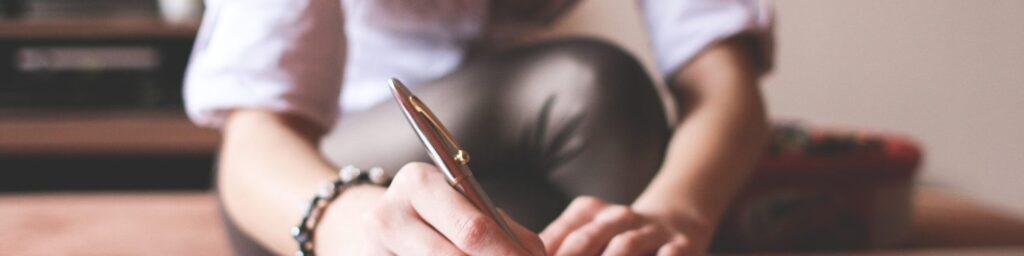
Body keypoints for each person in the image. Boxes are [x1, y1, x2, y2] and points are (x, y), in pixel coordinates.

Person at [185, 0, 773, 255]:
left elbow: (724, 88)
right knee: (592, 88)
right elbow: (253, 145)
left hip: (499, 160)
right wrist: (356, 229)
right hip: (309, 202)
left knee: (552, 217)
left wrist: (676, 214)